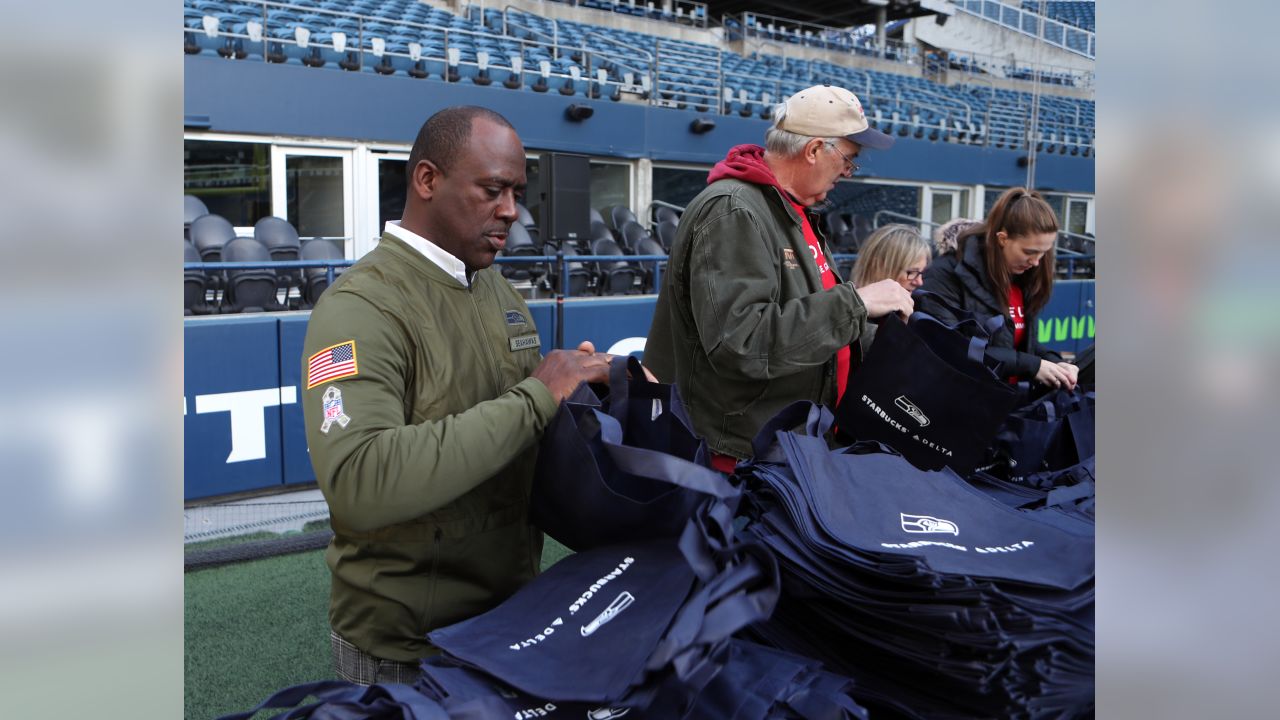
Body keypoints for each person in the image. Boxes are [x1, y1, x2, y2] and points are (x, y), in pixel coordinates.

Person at [300, 106, 612, 684]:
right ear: (427, 180)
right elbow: (360, 483)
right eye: (493, 189)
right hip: (408, 649)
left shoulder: (499, 290)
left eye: (517, 192)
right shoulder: (359, 306)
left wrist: (590, 401)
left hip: (512, 621)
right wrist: (538, 396)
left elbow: (518, 440)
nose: (511, 212)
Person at [645, 84, 913, 472]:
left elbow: (807, 319)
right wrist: (855, 303)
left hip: (787, 445)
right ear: (815, 150)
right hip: (738, 456)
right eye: (849, 159)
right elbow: (742, 342)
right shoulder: (734, 209)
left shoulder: (791, 209)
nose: (849, 172)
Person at [917, 187, 1079, 390]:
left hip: (1004, 405)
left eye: (1043, 253)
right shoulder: (945, 274)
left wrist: (1054, 363)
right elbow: (951, 347)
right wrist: (1032, 366)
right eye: (1029, 252)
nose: (1037, 262)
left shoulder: (1022, 279)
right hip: (956, 402)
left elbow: (1018, 345)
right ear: (1002, 239)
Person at [852, 223, 932, 293]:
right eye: (911, 272)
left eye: (921, 273)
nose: (919, 282)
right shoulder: (845, 308)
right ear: (878, 266)